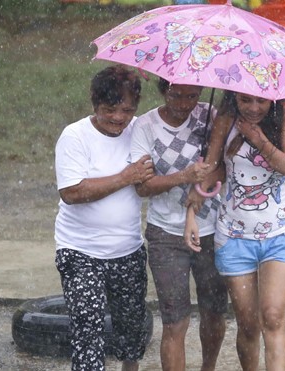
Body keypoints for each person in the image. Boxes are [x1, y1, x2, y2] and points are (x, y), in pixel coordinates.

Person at [185, 91, 285, 371]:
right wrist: (194, 200)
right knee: (248, 325)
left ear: (273, 99)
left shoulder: (283, 117)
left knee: (273, 317)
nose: (253, 107)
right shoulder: (226, 119)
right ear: (233, 96)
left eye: (261, 101)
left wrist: (259, 140)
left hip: (279, 236)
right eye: (245, 100)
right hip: (235, 239)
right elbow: (214, 170)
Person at [54, 65, 154, 371]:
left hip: (128, 250)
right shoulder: (74, 136)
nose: (118, 118)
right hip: (79, 251)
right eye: (110, 109)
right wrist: (126, 176)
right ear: (95, 104)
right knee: (88, 330)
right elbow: (72, 192)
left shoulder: (141, 130)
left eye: (127, 109)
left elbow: (149, 182)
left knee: (132, 332)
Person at [130, 78, 228, 371]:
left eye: (192, 96)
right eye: (176, 96)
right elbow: (143, 187)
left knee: (214, 312)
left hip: (212, 229)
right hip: (165, 234)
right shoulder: (145, 126)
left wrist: (203, 181)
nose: (184, 104)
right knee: (175, 320)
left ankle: (208, 367)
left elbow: (224, 167)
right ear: (163, 90)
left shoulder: (209, 116)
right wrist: (185, 177)